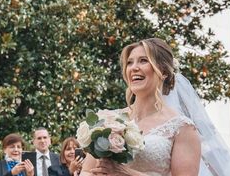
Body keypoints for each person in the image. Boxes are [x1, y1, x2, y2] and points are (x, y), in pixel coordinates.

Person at [81, 37, 201, 176]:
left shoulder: (182, 128)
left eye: (143, 60)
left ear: (164, 72)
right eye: (130, 63)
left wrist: (126, 173)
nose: (134, 68)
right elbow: (86, 171)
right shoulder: (108, 119)